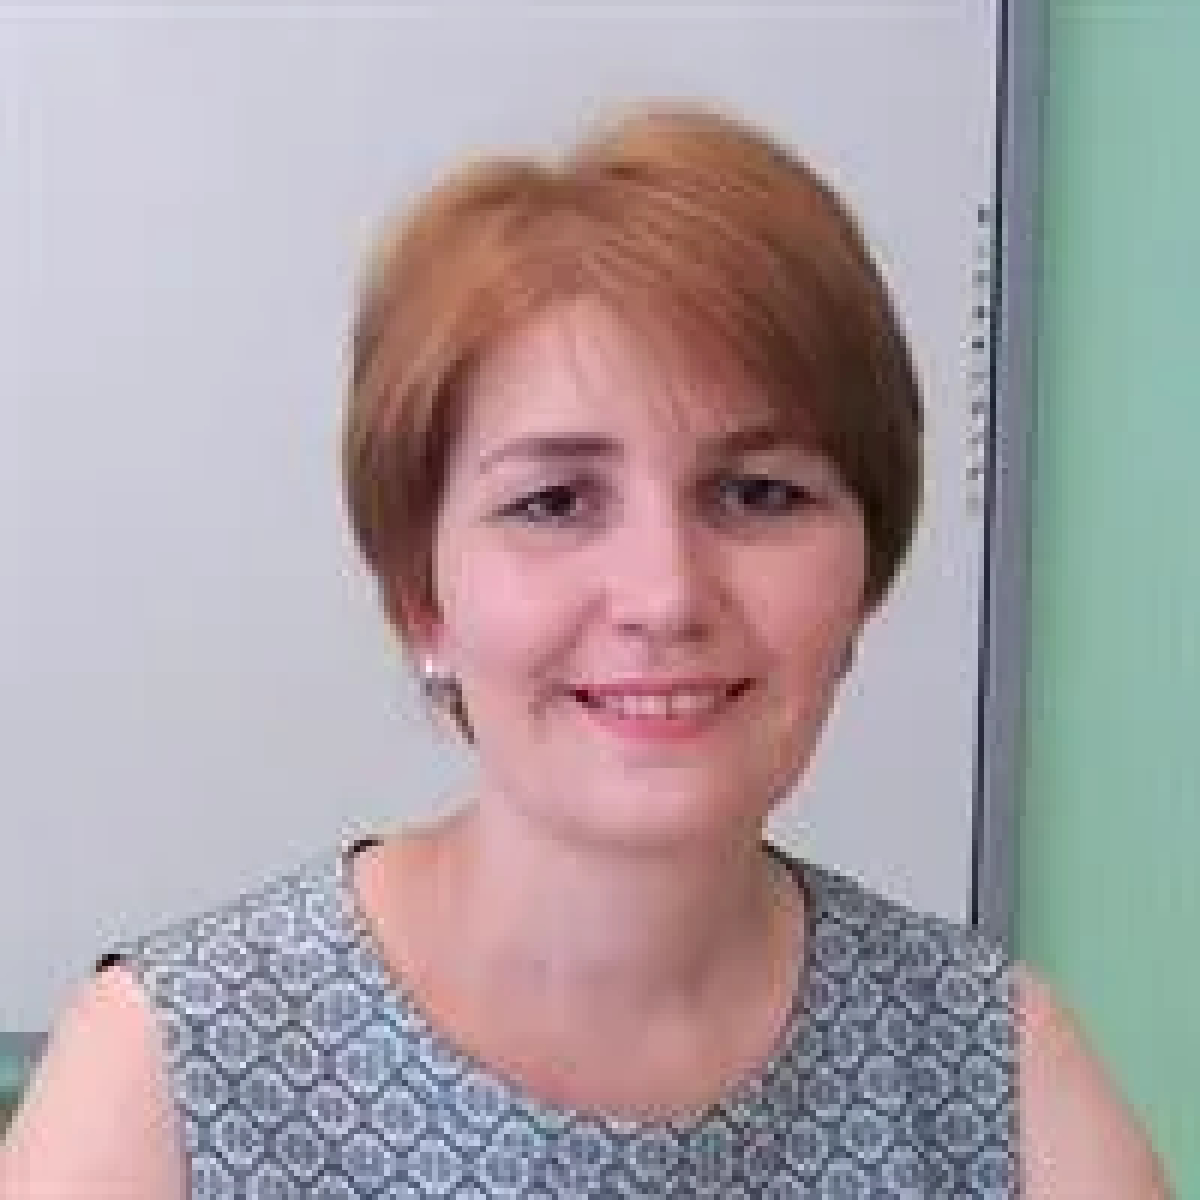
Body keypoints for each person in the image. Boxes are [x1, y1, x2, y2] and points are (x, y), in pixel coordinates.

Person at [0, 102, 1171, 1199]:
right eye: (555, 503)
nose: (666, 596)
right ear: (420, 594)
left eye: (759, 493)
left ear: (865, 571)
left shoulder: (994, 1072)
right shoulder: (167, 1076)